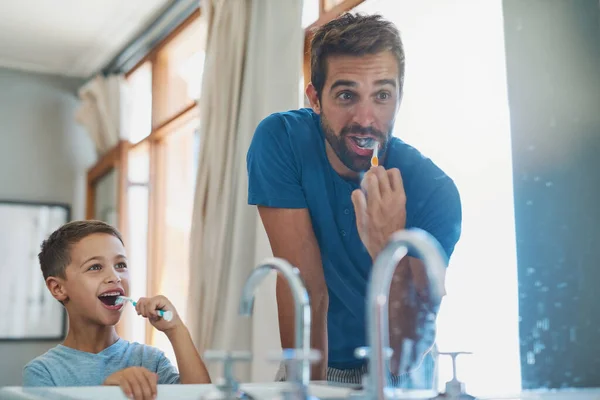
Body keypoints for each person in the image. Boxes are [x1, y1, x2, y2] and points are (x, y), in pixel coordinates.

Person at [246, 12, 461, 388]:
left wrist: (387, 244)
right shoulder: (281, 140)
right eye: (347, 95)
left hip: (401, 373)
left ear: (399, 97)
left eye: (382, 95)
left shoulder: (435, 192)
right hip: (319, 364)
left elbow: (406, 352)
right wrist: (307, 392)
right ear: (315, 97)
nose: (366, 118)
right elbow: (306, 291)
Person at [23, 220, 211, 400]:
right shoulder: (44, 372)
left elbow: (201, 397)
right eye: (95, 267)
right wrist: (107, 396)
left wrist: (176, 329)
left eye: (120, 265)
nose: (115, 276)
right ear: (58, 288)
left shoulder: (149, 360)